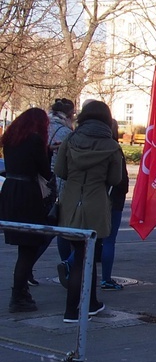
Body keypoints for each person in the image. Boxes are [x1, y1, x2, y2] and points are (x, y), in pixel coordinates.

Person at [55, 100, 122, 322]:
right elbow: (115, 179)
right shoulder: (112, 146)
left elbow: (60, 170)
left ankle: (91, 302)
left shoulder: (71, 139)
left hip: (72, 200)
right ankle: (73, 310)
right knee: (87, 256)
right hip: (96, 202)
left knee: (82, 254)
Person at [0, 108, 53, 312]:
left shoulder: (11, 139)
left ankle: (20, 292)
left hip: (11, 189)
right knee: (28, 247)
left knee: (23, 246)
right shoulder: (35, 140)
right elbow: (44, 170)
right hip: (27, 192)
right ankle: (19, 294)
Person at [46, 98, 76, 287]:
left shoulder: (43, 126)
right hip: (60, 180)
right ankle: (66, 263)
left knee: (49, 225)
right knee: (62, 225)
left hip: (43, 178)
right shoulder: (65, 131)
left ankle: (27, 270)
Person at [97, 119, 129, 290]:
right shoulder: (114, 149)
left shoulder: (85, 145)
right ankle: (106, 279)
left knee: (88, 238)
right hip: (112, 199)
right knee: (109, 240)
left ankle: (69, 263)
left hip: (91, 197)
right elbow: (121, 180)